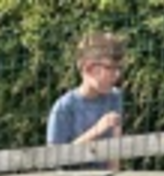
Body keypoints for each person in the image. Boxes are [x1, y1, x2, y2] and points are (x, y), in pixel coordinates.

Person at [47, 32, 126, 168]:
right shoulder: (64, 107)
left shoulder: (115, 97)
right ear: (88, 68)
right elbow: (54, 160)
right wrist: (97, 130)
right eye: (110, 68)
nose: (117, 75)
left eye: (118, 68)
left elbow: (114, 151)